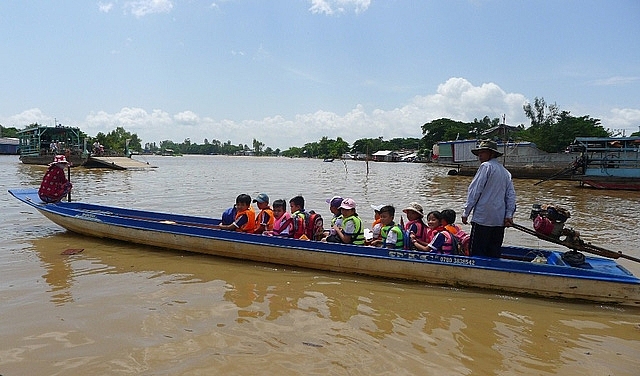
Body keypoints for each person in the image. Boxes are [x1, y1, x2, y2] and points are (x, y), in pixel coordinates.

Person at [462, 139, 516, 258]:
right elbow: (511, 196)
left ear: (491, 154)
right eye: (479, 153)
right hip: (498, 220)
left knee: (477, 252)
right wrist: (508, 215)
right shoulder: (505, 172)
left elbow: (475, 191)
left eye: (483, 152)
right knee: (494, 252)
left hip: (483, 218)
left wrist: (466, 212)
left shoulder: (486, 167)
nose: (480, 155)